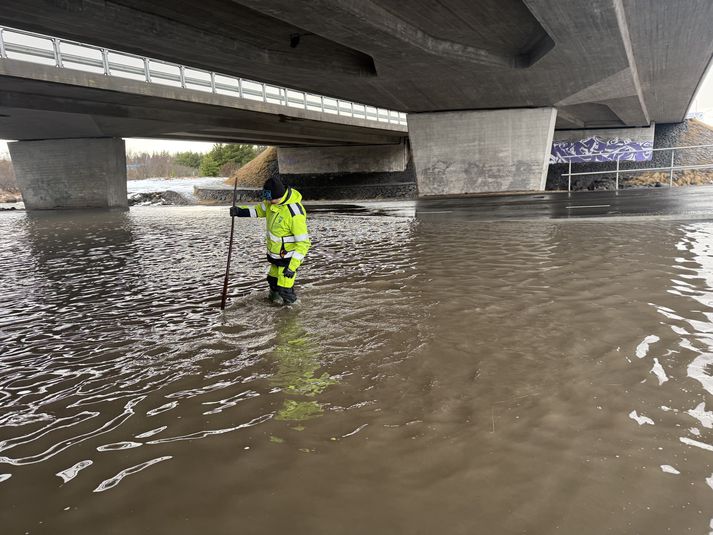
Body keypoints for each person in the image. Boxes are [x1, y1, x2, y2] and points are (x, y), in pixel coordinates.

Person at [229, 177, 310, 305]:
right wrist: (239, 211)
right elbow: (257, 210)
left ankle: (294, 312)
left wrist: (292, 267)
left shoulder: (294, 213)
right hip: (275, 258)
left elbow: (303, 243)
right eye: (268, 199)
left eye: (272, 199)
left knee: (285, 291)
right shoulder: (270, 203)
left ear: (280, 195)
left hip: (288, 261)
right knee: (272, 282)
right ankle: (275, 309)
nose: (269, 202)